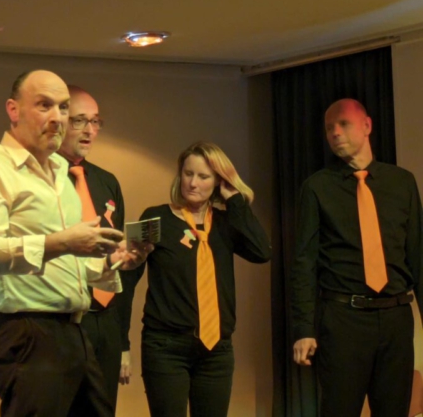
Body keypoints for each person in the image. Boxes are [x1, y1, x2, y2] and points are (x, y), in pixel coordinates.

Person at [0, 70, 146, 417]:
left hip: (75, 330)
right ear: (13, 110)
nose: (57, 118)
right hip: (26, 332)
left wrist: (111, 262)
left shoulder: (58, 171)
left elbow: (68, 262)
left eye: (63, 107)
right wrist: (62, 243)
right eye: (44, 105)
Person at [291, 98, 423, 417]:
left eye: (343, 124)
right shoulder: (317, 187)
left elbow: (418, 255)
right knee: (339, 409)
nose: (335, 133)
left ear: (367, 126)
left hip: (395, 316)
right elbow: (304, 262)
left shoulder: (401, 182)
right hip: (343, 318)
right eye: (329, 128)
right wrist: (304, 328)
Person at [120, 141, 271, 417]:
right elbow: (126, 280)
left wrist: (235, 201)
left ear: (218, 181)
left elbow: (263, 252)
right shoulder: (154, 218)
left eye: (203, 176)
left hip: (216, 351)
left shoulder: (226, 223)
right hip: (166, 348)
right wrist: (122, 344)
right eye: (188, 173)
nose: (192, 183)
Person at [57, 85, 134, 411]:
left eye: (95, 121)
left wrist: (123, 340)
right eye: (80, 121)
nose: (90, 130)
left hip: (106, 321)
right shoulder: (43, 181)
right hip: (64, 320)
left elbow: (119, 265)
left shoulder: (106, 181)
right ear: (59, 121)